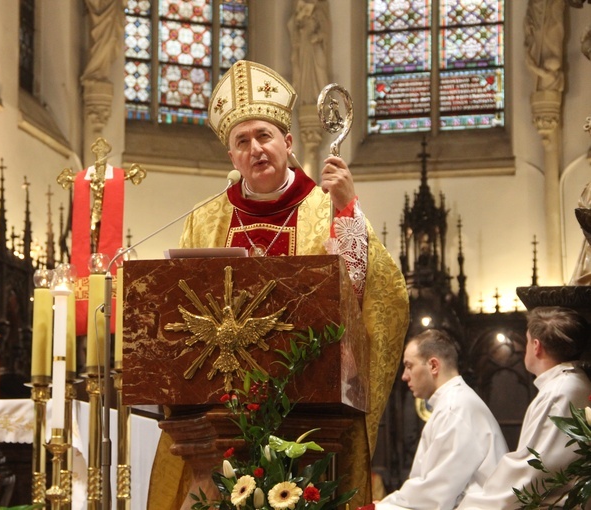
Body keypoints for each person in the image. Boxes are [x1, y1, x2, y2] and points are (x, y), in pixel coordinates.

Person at [148, 59, 410, 508]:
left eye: (264, 136)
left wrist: (348, 209)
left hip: (306, 412)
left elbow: (371, 294)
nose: (255, 149)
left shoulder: (324, 205)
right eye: (242, 141)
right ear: (232, 156)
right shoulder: (205, 218)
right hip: (218, 412)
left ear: (287, 143)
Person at [457, 306, 591, 509]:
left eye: (527, 341)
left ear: (536, 346)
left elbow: (534, 470)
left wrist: (478, 503)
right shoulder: (569, 382)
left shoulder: (559, 391)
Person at [362, 329, 508, 510]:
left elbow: (436, 492)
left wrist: (383, 508)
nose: (404, 376)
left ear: (433, 366)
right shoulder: (453, 403)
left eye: (409, 366)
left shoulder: (455, 408)